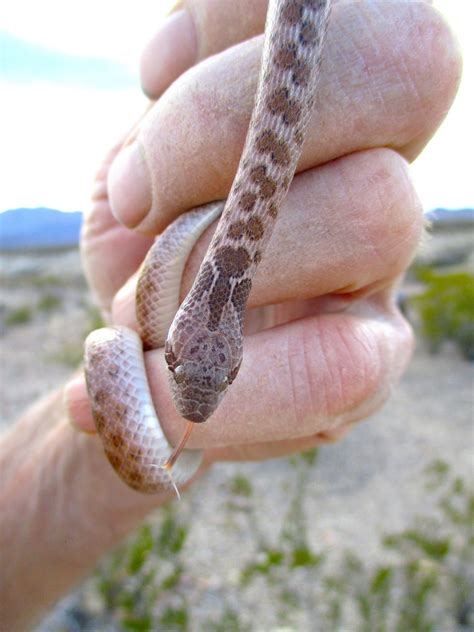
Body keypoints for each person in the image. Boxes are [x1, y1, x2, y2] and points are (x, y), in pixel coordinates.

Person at [0, 1, 461, 630]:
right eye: (192, 369)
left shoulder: (211, 297)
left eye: (210, 378)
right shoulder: (205, 286)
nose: (195, 402)